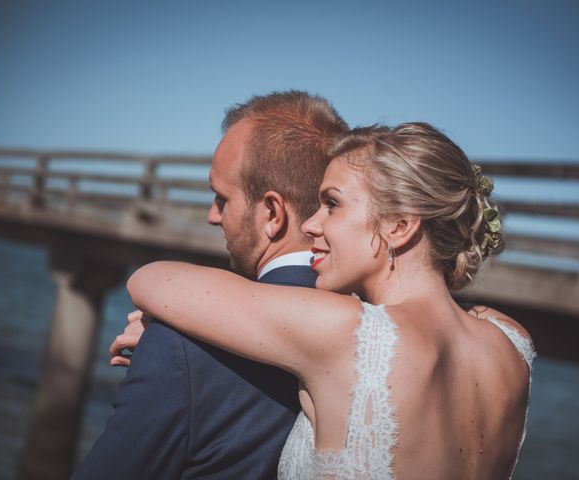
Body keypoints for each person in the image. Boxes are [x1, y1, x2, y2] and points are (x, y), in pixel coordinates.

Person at [125, 122, 535, 479]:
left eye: (332, 204)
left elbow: (151, 279)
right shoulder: (511, 342)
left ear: (399, 226)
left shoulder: (349, 332)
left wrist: (164, 321)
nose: (310, 224)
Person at [71, 91, 348, 479]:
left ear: (272, 213)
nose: (212, 215)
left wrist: (167, 339)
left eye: (222, 198)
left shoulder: (184, 344)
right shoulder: (376, 322)